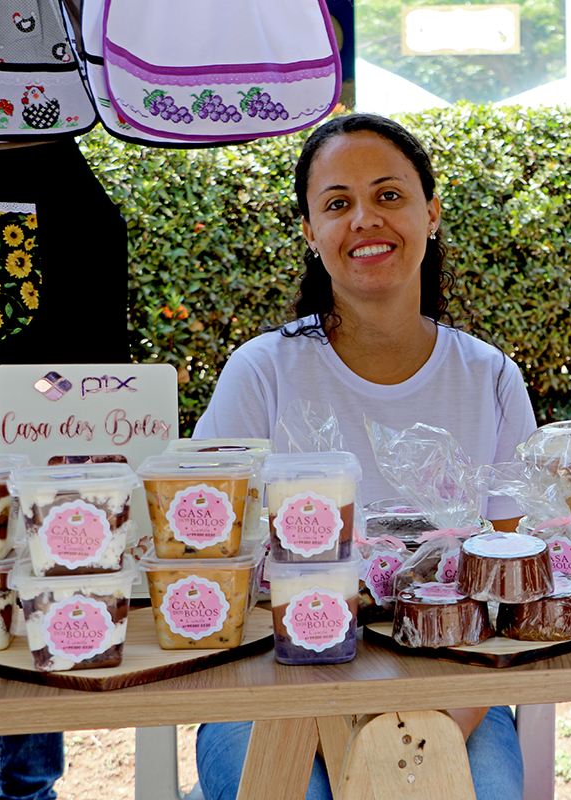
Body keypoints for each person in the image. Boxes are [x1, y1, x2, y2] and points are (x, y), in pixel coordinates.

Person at [190, 113, 535, 800]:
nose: (364, 220)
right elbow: (205, 555)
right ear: (310, 233)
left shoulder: (489, 376)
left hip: (454, 679)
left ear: (431, 214)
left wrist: (431, 729)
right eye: (337, 204)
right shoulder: (262, 373)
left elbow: (509, 583)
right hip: (272, 682)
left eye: (389, 195)